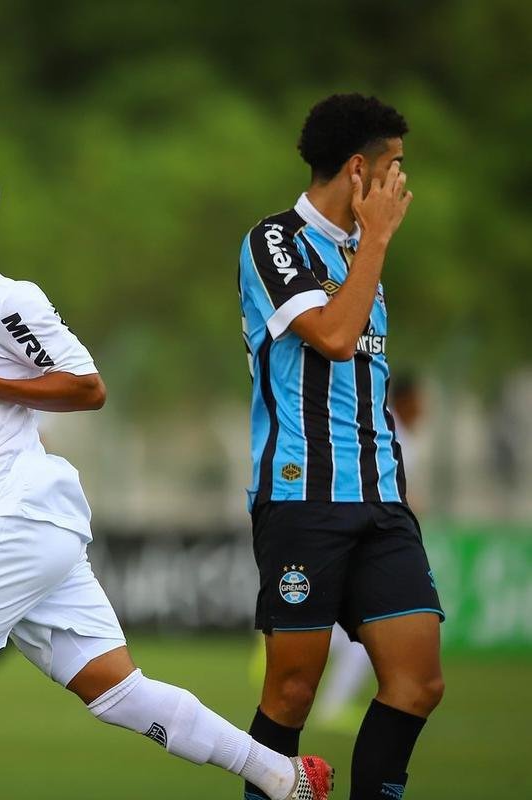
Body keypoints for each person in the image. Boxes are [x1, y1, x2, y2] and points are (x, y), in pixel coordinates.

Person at [0, 152, 333, 800]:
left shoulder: (5, 299)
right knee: (118, 692)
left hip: (22, 508)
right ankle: (282, 777)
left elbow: (89, 386)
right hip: (6, 522)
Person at [237, 94, 445, 800]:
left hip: (382, 498)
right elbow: (330, 336)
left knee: (418, 682)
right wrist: (379, 243)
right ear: (358, 171)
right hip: (303, 499)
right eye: (394, 171)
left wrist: (372, 247)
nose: (400, 188)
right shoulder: (274, 240)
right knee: (292, 692)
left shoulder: (361, 253)